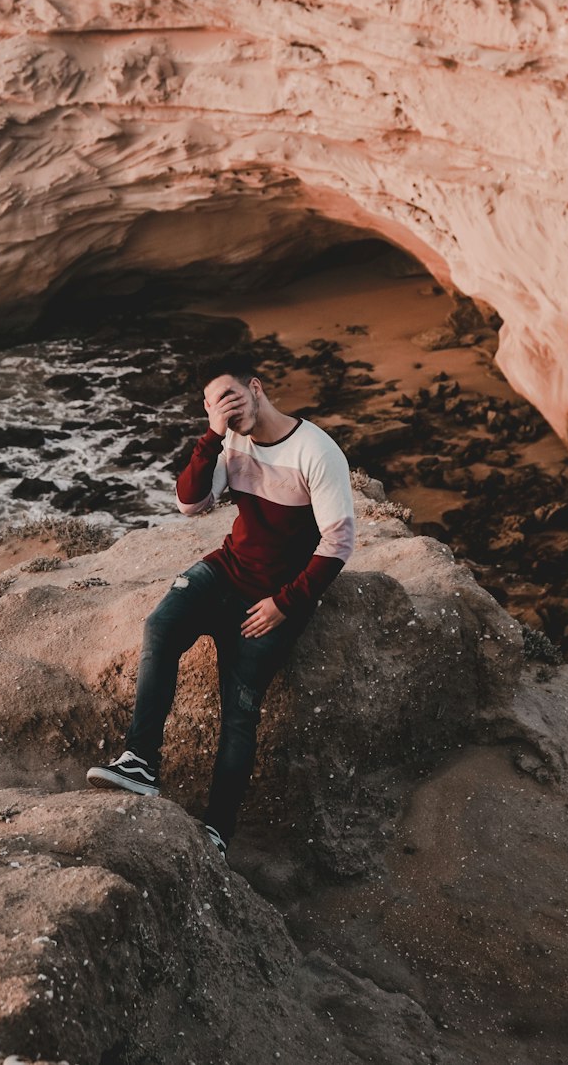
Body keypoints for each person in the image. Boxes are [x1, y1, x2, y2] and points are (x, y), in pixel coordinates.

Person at [87, 351, 355, 858]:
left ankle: (217, 832)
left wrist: (285, 604)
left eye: (231, 396)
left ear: (255, 387)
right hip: (225, 570)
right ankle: (140, 762)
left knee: (240, 711)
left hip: (274, 599)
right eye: (215, 404)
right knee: (161, 627)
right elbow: (191, 504)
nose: (228, 410)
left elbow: (338, 543)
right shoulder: (229, 438)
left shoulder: (317, 451)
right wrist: (212, 435)